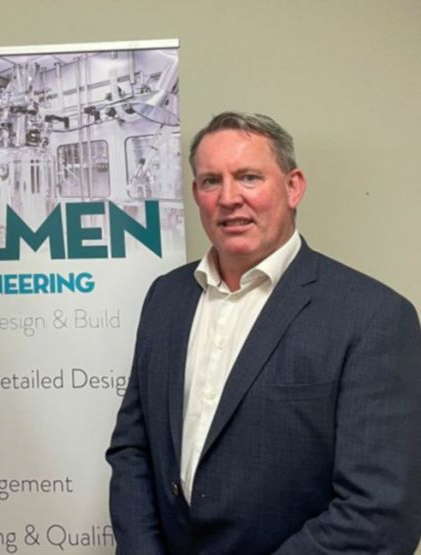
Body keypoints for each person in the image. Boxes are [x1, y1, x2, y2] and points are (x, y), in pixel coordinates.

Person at [106, 111, 421, 554]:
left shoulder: (373, 317)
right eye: (211, 181)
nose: (228, 198)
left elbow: (380, 515)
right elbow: (133, 450)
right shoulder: (166, 298)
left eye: (249, 177)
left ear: (293, 187)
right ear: (196, 194)